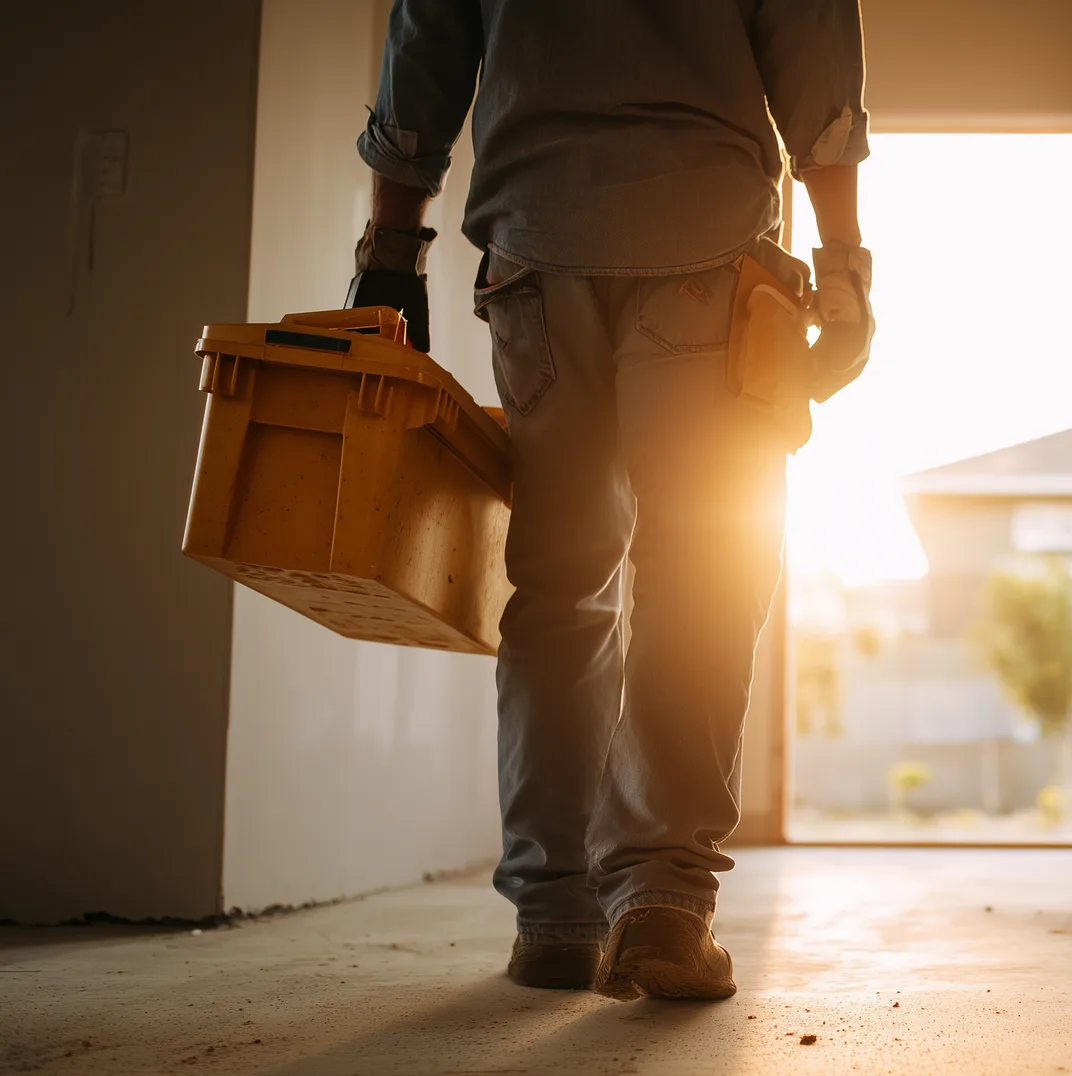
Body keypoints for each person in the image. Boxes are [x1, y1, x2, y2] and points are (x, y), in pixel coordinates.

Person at [346, 1, 872, 1001]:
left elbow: (425, 38)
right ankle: (662, 899)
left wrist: (391, 243)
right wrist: (843, 262)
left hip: (537, 245)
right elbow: (812, 46)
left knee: (560, 579)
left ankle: (555, 912)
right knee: (703, 573)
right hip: (703, 241)